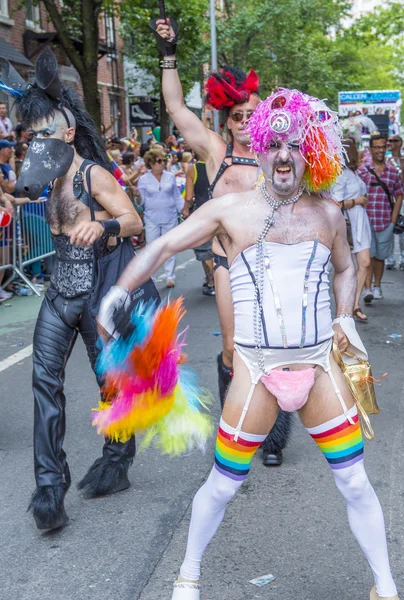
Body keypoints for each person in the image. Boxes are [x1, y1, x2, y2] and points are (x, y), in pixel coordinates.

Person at [98, 88, 399, 600]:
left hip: (321, 367)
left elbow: (348, 268)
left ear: (310, 152)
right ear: (259, 149)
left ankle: (386, 586)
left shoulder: (328, 215)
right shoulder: (229, 210)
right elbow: (165, 243)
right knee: (223, 483)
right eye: (274, 144)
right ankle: (187, 578)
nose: (284, 155)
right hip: (256, 371)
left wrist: (345, 318)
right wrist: (119, 291)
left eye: (295, 145)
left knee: (354, 483)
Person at [1, 48, 143, 530]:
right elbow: (26, 198)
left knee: (109, 384)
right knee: (44, 384)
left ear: (65, 133)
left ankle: (117, 460)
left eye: (43, 134)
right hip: (59, 293)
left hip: (96, 290)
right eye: (30, 135)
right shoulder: (44, 176)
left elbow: (133, 219)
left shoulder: (92, 174)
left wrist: (102, 228)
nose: (34, 143)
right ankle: (49, 487)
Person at [153, 16, 292, 466]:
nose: (245, 122)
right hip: (227, 261)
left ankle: (272, 437)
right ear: (226, 119)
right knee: (233, 347)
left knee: (275, 346)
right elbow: (175, 108)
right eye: (237, 116)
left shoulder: (279, 154)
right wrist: (168, 52)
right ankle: (236, 432)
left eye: (253, 115)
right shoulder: (216, 150)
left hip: (273, 263)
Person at [357, 135, 403, 302]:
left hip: (385, 221)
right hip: (365, 222)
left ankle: (377, 286)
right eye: (377, 147)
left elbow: (399, 194)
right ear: (370, 149)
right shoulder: (362, 171)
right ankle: (367, 289)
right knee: (367, 256)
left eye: (383, 147)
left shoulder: (392, 172)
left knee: (380, 258)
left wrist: (393, 219)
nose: (380, 150)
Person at [332, 138, 372, 323]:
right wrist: (357, 201)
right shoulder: (340, 174)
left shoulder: (352, 173)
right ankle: (346, 308)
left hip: (361, 223)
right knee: (346, 268)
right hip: (349, 225)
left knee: (364, 263)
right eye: (352, 148)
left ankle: (354, 304)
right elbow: (336, 203)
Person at [137, 147, 184, 288]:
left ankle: (170, 276)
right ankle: (151, 276)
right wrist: (137, 194)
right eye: (159, 161)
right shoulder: (143, 179)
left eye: (164, 160)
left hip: (170, 216)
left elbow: (176, 196)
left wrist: (184, 209)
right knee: (152, 248)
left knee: (169, 246)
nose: (162, 163)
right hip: (151, 218)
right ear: (151, 163)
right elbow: (141, 202)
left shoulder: (170, 176)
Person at [185, 159, 215, 296]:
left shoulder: (193, 169)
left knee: (205, 249)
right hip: (222, 210)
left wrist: (187, 207)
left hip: (202, 214)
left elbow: (189, 197)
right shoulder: (221, 163)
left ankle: (211, 283)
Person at [386, 135, 404, 270]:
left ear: (400, 143)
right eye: (389, 141)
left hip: (402, 198)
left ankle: (403, 257)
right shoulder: (386, 160)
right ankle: (390, 258)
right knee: (390, 228)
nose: (391, 143)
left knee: (402, 231)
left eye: (394, 141)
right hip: (390, 199)